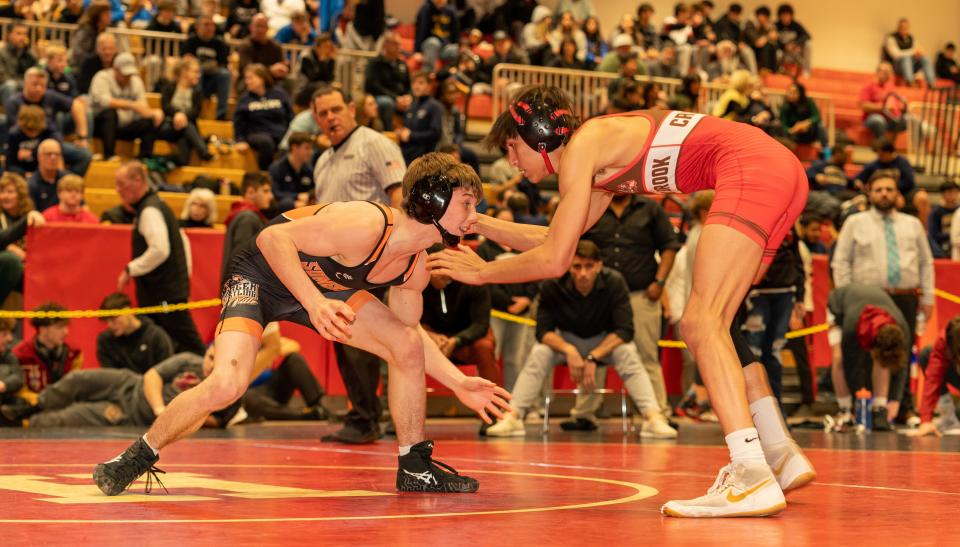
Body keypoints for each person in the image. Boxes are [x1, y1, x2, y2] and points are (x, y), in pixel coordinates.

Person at [428, 85, 816, 517]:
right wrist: (478, 222)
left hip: (752, 169)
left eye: (514, 147)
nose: (512, 161)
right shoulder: (597, 161)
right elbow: (557, 239)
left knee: (700, 323)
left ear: (539, 135)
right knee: (718, 321)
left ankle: (749, 472)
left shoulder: (583, 149)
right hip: (780, 171)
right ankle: (779, 450)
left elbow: (555, 260)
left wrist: (481, 272)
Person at [92, 152, 511, 496]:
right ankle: (137, 455)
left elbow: (411, 342)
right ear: (432, 202)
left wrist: (457, 382)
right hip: (263, 275)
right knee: (226, 384)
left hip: (325, 290)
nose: (476, 216)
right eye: (467, 203)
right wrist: (313, 302)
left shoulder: (412, 269)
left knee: (402, 343)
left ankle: (415, 466)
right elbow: (271, 239)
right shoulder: (366, 223)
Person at [486, 239, 676, 438]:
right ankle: (513, 417)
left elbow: (625, 330)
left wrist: (593, 357)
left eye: (589, 266)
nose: (583, 273)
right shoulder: (552, 284)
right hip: (565, 341)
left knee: (628, 352)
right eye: (577, 266)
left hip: (604, 342)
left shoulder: (615, 282)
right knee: (539, 352)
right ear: (568, 266)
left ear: (599, 265)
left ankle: (653, 417)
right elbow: (542, 331)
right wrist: (569, 350)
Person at [310, 84, 407, 443]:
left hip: (372, 259)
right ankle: (362, 415)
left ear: (352, 107)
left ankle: (367, 419)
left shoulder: (374, 144)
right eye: (323, 113)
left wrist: (396, 256)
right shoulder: (323, 161)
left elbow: (400, 198)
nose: (330, 118)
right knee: (344, 338)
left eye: (336, 109)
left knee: (359, 341)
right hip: (334, 267)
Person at [832, 173, 934, 420]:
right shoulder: (855, 222)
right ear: (870, 193)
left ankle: (902, 409)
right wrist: (847, 297)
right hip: (867, 299)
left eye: (889, 189)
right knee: (863, 354)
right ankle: (865, 409)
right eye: (879, 190)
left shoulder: (912, 224)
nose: (884, 194)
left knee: (900, 353)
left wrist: (928, 297)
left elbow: (926, 262)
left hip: (904, 296)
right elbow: (841, 261)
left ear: (897, 193)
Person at [581, 194, 679, 416]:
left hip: (641, 293)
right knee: (592, 351)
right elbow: (575, 244)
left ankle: (658, 413)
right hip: (599, 295)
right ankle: (584, 413)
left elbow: (669, 247)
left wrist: (660, 282)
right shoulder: (594, 205)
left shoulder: (651, 209)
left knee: (647, 354)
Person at [115, 161, 206, 356]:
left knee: (189, 343)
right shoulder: (156, 205)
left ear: (137, 180)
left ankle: (214, 378)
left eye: (121, 184)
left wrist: (131, 269)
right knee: (164, 344)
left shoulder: (149, 210)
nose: (118, 190)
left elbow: (160, 250)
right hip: (166, 292)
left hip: (163, 294)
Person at [826, 284, 909, 431]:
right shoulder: (852, 327)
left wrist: (895, 400)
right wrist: (858, 405)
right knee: (838, 358)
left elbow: (902, 365)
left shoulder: (902, 329)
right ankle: (845, 408)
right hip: (838, 307)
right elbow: (851, 366)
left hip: (869, 306)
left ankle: (880, 407)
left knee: (883, 361)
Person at [90, 53, 164, 160]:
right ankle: (109, 155)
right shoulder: (102, 77)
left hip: (126, 125)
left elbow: (142, 106)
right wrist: (132, 105)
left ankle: (144, 158)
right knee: (110, 114)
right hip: (101, 126)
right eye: (124, 74)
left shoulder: (136, 81)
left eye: (130, 74)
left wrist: (153, 113)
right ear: (115, 69)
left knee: (149, 122)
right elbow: (104, 102)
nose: (127, 77)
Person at [14, 302, 82, 401]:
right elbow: (19, 390)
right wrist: (42, 401)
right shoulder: (20, 354)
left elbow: (76, 388)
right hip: (31, 409)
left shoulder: (74, 354)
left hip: (65, 409)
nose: (66, 332)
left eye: (66, 327)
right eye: (60, 327)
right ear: (43, 329)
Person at [97, 292, 175, 374]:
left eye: (114, 318)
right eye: (106, 320)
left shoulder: (156, 336)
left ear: (128, 311)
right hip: (122, 386)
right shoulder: (106, 340)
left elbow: (168, 372)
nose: (109, 325)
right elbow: (110, 376)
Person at [234, 63, 294, 170]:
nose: (247, 82)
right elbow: (239, 122)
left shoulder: (279, 94)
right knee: (266, 142)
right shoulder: (245, 99)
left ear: (262, 78)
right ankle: (266, 173)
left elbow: (290, 116)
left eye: (250, 78)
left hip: (280, 133)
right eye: (246, 78)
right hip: (257, 134)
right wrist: (240, 140)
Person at [156, 58, 216, 165]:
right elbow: (165, 107)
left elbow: (196, 112)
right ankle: (203, 151)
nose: (199, 75)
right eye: (195, 72)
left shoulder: (197, 92)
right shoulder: (169, 87)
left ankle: (164, 160)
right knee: (187, 126)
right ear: (184, 72)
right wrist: (177, 114)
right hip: (169, 126)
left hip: (185, 130)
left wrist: (182, 116)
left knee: (183, 159)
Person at [908, 317, 960, 437]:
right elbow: (933, 377)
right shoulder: (944, 339)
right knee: (926, 354)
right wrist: (925, 420)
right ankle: (947, 414)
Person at [221, 171, 273, 284]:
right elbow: (242, 259)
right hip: (242, 288)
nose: (270, 196)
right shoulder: (248, 218)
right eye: (265, 191)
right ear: (250, 191)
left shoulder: (245, 215)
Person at [182, 13, 232, 121]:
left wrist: (201, 65)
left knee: (225, 75)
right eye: (206, 24)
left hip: (212, 79)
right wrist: (203, 66)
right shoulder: (190, 41)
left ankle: (221, 115)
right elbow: (185, 62)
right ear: (197, 27)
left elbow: (222, 65)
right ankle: (195, 112)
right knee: (197, 71)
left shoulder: (219, 43)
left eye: (212, 25)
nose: (210, 28)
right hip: (195, 80)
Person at [398, 72, 443, 166]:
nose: (416, 86)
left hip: (424, 158)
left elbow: (436, 133)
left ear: (428, 86)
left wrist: (411, 136)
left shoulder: (435, 106)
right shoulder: (411, 106)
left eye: (420, 83)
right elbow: (407, 131)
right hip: (406, 155)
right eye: (413, 83)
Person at [268, 132, 315, 212]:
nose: (311, 152)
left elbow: (312, 190)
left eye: (311, 148)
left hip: (304, 205)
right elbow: (274, 192)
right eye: (307, 148)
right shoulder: (277, 168)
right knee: (287, 203)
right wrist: (297, 196)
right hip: (281, 208)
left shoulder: (308, 170)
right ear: (294, 148)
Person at [883, 18, 935, 87]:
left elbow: (918, 49)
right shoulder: (891, 38)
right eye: (902, 27)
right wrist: (912, 53)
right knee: (906, 58)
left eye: (906, 27)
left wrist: (919, 53)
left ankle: (931, 83)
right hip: (897, 66)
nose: (904, 29)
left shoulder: (911, 38)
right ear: (898, 27)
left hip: (910, 66)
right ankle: (910, 82)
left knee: (925, 58)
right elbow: (895, 54)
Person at [415, 0, 461, 73]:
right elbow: (421, 30)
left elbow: (456, 31)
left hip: (445, 47)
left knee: (455, 49)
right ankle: (427, 74)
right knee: (433, 43)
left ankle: (446, 76)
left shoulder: (451, 10)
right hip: (429, 45)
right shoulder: (426, 9)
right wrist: (417, 51)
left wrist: (457, 44)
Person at [0, 22, 37, 104]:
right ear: (9, 35)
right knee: (11, 85)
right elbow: (3, 78)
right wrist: (24, 84)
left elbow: (35, 76)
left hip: (23, 86)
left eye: (25, 34)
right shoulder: (1, 53)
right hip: (4, 87)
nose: (22, 37)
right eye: (18, 34)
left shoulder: (30, 55)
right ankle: (11, 115)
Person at [0, 317, 23, 426]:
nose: (9, 338)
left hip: (4, 400)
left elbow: (18, 378)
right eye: (4, 334)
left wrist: (4, 384)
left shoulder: (8, 355)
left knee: (18, 404)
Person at [929, 181, 960, 258]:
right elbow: (933, 234)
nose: (953, 195)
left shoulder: (959, 210)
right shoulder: (936, 212)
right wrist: (952, 234)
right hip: (943, 245)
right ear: (943, 194)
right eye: (949, 192)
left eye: (955, 192)